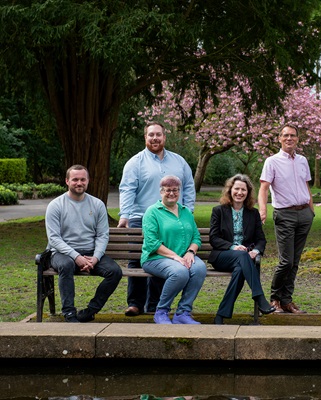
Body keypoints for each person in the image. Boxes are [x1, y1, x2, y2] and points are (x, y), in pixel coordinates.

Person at [118, 121, 196, 317]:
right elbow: (127, 189)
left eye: (158, 135)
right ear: (145, 137)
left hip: (170, 219)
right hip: (140, 217)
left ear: (164, 137)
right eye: (150, 135)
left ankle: (154, 304)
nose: (155, 138)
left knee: (164, 259)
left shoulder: (179, 162)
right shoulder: (135, 163)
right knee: (136, 261)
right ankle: (135, 303)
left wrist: (189, 212)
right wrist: (125, 216)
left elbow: (188, 187)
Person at [45, 165, 123, 322]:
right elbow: (54, 238)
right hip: (62, 253)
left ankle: (91, 310)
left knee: (115, 272)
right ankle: (69, 313)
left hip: (90, 251)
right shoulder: (56, 205)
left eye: (82, 179)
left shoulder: (97, 204)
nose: (79, 183)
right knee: (66, 265)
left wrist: (95, 257)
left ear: (88, 181)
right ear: (67, 181)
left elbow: (102, 235)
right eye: (75, 179)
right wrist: (76, 257)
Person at [258, 124, 315, 314]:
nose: (289, 138)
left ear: (297, 139)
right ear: (279, 138)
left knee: (295, 261)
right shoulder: (272, 161)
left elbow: (305, 185)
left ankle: (287, 300)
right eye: (285, 135)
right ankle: (275, 298)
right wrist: (263, 209)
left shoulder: (302, 161)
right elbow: (264, 187)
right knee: (286, 261)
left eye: (293, 135)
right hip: (285, 214)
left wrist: (311, 210)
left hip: (304, 213)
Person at [209, 174, 276, 324]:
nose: (240, 193)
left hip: (243, 259)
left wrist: (256, 251)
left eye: (243, 190)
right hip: (222, 256)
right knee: (242, 256)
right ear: (230, 190)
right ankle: (260, 298)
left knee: (241, 267)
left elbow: (260, 239)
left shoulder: (253, 214)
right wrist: (233, 247)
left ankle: (220, 315)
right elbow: (214, 238)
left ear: (248, 192)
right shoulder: (218, 211)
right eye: (236, 189)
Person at [141, 175, 207, 324]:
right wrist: (175, 257)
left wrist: (190, 252)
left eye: (175, 190)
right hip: (155, 258)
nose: (171, 193)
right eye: (168, 190)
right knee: (179, 272)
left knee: (200, 268)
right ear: (161, 192)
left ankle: (183, 312)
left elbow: (196, 237)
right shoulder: (152, 212)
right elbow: (152, 243)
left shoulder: (186, 212)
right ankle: (161, 311)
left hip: (184, 256)